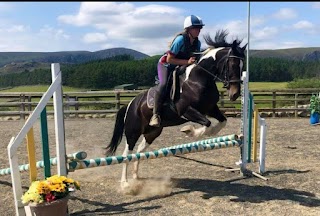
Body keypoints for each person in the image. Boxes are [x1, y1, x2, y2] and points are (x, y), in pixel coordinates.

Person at [149, 15, 205, 127]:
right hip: (166, 65)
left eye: (199, 28)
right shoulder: (180, 40)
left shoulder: (197, 43)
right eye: (196, 27)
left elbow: (193, 58)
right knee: (164, 84)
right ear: (188, 29)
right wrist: (187, 62)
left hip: (180, 66)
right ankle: (155, 115)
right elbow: (170, 59)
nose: (198, 30)